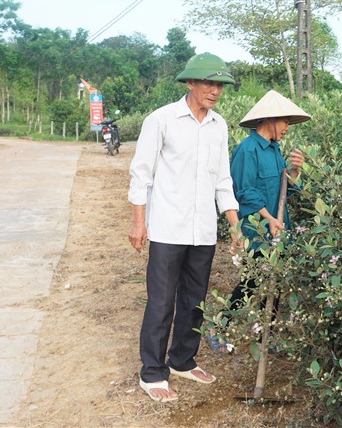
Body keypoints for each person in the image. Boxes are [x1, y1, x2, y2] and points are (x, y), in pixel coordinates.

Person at [127, 52, 241, 403]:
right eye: (208, 83)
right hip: (166, 226)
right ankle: (152, 372)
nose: (215, 91)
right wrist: (138, 222)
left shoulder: (218, 126)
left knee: (195, 301)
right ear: (190, 83)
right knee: (161, 302)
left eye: (219, 85)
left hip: (203, 229)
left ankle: (181, 359)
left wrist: (234, 226)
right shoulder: (161, 120)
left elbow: (223, 179)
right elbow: (141, 172)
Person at [206, 90, 310, 351]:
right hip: (257, 231)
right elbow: (243, 191)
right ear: (271, 119)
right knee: (252, 283)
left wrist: (295, 170)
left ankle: (268, 336)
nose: (287, 128)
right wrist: (269, 219)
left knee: (275, 283)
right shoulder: (246, 150)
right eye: (285, 121)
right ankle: (218, 327)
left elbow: (286, 188)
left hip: (278, 229)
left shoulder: (275, 150)